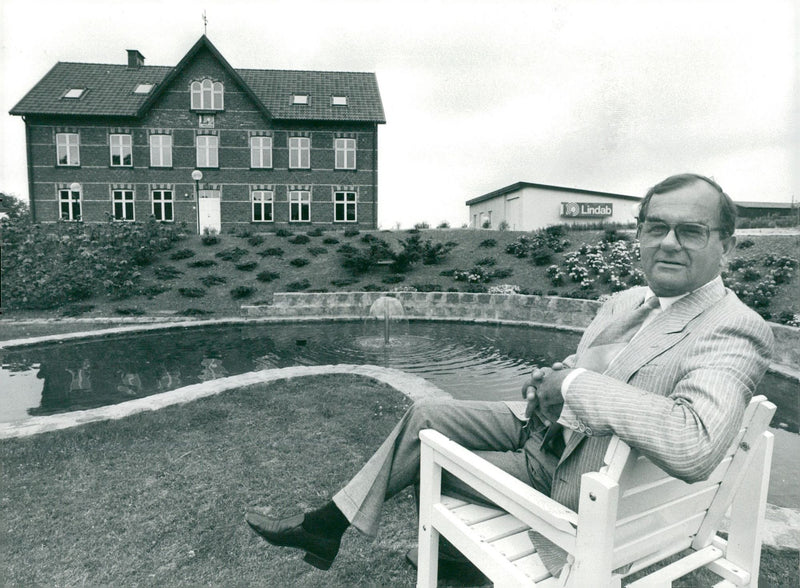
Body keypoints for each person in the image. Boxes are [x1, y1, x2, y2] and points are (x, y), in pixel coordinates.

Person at [245, 173, 774, 575]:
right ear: (638, 235)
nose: (668, 242)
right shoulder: (632, 300)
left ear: (726, 244)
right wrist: (556, 376)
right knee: (428, 414)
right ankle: (325, 528)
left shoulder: (733, 329)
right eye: (656, 227)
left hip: (574, 480)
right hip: (545, 428)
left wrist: (570, 386)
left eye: (691, 231)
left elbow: (695, 444)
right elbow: (597, 367)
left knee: (426, 458)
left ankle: (445, 557)